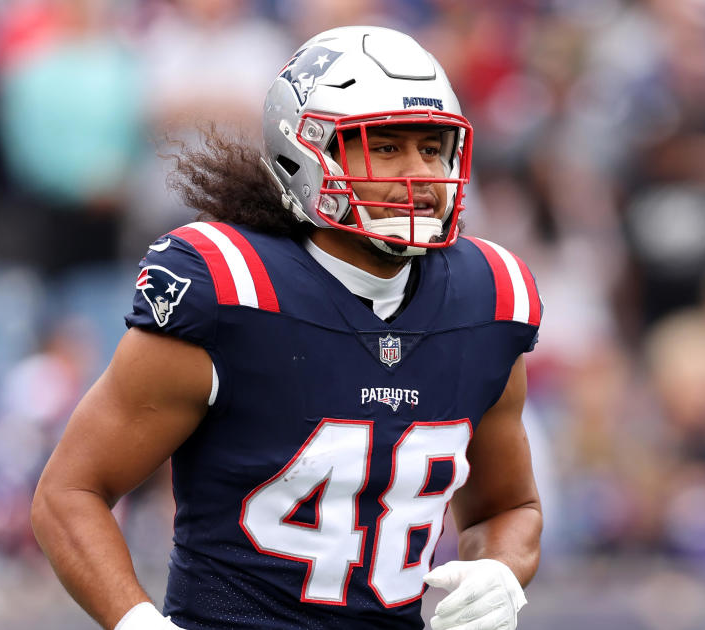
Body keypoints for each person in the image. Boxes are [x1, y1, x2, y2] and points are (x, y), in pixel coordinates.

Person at [31, 26, 543, 630]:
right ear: (307, 151)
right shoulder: (230, 290)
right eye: (385, 148)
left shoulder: (486, 301)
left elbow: (509, 507)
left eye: (431, 149)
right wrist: (137, 622)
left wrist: (501, 570)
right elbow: (68, 495)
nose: (420, 175)